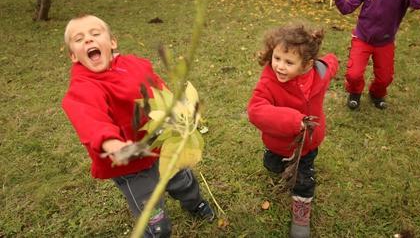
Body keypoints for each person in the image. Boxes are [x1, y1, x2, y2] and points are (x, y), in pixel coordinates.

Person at [61, 15, 214, 238]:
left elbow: (157, 87)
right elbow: (89, 120)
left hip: (162, 148)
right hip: (129, 167)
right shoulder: (83, 87)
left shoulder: (134, 64)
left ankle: (195, 203)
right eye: (79, 38)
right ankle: (156, 232)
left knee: (183, 181)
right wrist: (114, 145)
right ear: (73, 55)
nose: (88, 40)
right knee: (151, 211)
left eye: (95, 34)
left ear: (112, 42)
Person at [247, 23, 338, 238]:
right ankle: (275, 162)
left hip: (309, 144)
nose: (279, 66)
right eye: (277, 58)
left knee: (303, 181)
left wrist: (334, 61)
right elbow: (255, 110)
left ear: (307, 64)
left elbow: (330, 64)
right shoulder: (269, 81)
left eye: (289, 62)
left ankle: (301, 214)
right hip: (278, 142)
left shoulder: (320, 73)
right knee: (274, 165)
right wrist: (293, 120)